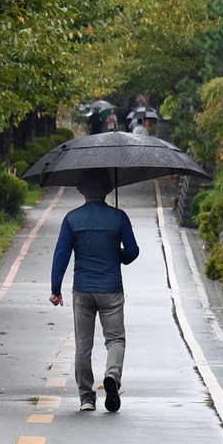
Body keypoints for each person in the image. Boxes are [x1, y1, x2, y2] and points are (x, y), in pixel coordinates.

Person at [49, 168, 140, 412]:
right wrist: (117, 254)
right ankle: (112, 376)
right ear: (107, 190)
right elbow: (132, 252)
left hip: (82, 290)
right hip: (111, 288)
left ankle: (87, 397)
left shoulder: (72, 219)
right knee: (115, 339)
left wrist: (55, 288)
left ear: (82, 191)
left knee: (83, 345)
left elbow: (61, 255)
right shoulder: (118, 217)